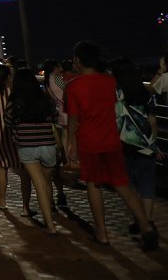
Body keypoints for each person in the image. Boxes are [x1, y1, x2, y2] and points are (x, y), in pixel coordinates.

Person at [65, 40, 157, 250]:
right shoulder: (109, 81)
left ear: (78, 60)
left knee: (93, 184)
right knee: (121, 184)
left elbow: (72, 119)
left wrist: (70, 142)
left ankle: (102, 233)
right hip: (112, 140)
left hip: (88, 141)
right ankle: (146, 226)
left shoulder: (74, 86)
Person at [110, 57, 162, 237]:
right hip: (146, 145)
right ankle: (147, 220)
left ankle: (138, 219)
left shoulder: (116, 92)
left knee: (130, 184)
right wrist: (153, 143)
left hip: (123, 145)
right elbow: (152, 121)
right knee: (147, 184)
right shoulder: (145, 92)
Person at [4, 68, 59, 234]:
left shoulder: (14, 103)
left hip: (27, 146)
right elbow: (54, 118)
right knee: (47, 182)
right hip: (48, 145)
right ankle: (50, 210)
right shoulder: (45, 100)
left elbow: (8, 123)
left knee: (39, 185)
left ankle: (50, 225)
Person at [0, 64, 32, 215]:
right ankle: (25, 207)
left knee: (2, 167)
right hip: (18, 132)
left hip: (1, 133)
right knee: (24, 169)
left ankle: (2, 200)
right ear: (9, 76)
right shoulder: (17, 91)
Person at [41, 58, 70, 206]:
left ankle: (52, 200)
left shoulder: (47, 81)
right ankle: (69, 159)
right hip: (67, 112)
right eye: (59, 66)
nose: (62, 69)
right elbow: (69, 90)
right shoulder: (58, 79)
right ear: (55, 67)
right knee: (67, 137)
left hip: (59, 114)